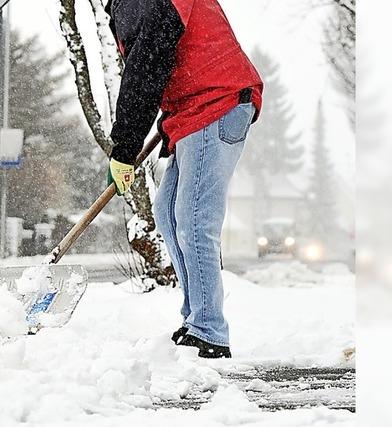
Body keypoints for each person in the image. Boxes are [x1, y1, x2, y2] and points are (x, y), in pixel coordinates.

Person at [106, 0, 263, 358]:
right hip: (195, 108)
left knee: (194, 220)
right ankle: (196, 319)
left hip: (216, 101)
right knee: (167, 212)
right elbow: (160, 64)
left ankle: (209, 331)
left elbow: (146, 66)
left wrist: (124, 147)